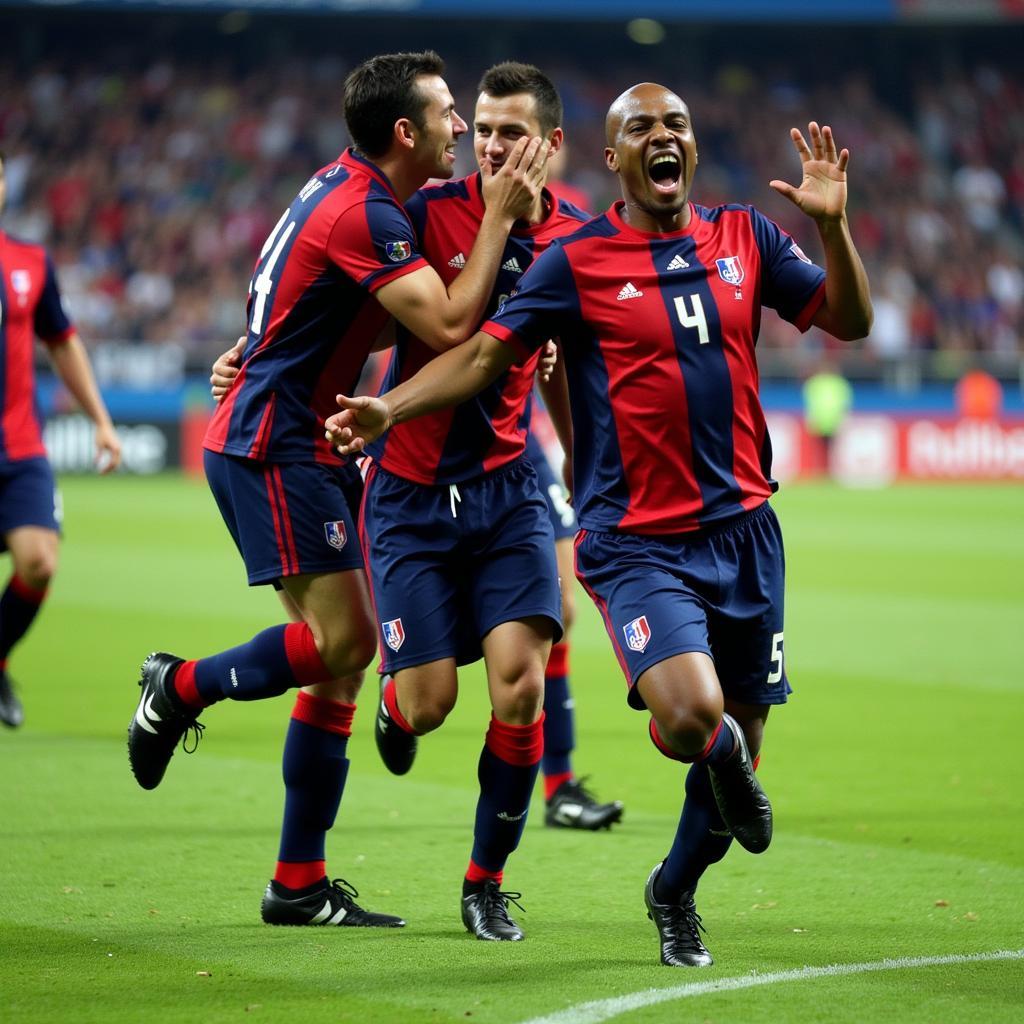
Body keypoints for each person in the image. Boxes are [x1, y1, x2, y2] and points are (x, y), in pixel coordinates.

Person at [325, 83, 873, 966]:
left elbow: (850, 320)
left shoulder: (747, 237)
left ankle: (674, 892)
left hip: (746, 529)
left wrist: (833, 226)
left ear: (691, 147)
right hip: (638, 540)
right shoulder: (574, 258)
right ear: (614, 158)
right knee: (697, 722)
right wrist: (387, 407)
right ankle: (699, 756)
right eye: (642, 129)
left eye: (678, 125)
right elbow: (480, 355)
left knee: (737, 743)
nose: (664, 138)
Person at [125, 51, 547, 931]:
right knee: (344, 644)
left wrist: (249, 349)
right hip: (278, 445)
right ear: (407, 132)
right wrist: (502, 220)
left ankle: (297, 882)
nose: (463, 131)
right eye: (449, 114)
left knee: (339, 667)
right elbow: (451, 322)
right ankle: (182, 686)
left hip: (302, 432)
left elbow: (282, 288)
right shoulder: (369, 210)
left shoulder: (344, 187)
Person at [0, 152, 121, 728]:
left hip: (19, 448)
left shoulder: (27, 261)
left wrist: (100, 418)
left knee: (39, 562)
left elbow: (63, 340)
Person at [802, 358, 853, 476]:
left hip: (826, 421)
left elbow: (810, 402)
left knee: (825, 449)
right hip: (829, 420)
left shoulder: (814, 383)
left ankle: (825, 472)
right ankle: (824, 472)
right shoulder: (839, 383)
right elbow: (845, 402)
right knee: (826, 449)